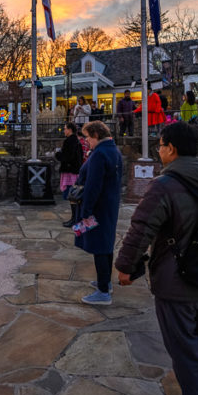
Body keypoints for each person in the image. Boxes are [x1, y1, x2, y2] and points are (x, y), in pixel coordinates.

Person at [114, 121, 198, 395]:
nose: (159, 150)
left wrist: (125, 267)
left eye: (161, 145)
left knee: (185, 350)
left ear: (172, 149)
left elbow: (141, 229)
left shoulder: (166, 184)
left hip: (177, 280)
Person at [74, 120, 123, 305]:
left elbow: (93, 186)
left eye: (87, 137)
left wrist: (86, 211)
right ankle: (105, 282)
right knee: (106, 244)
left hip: (98, 208)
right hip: (109, 205)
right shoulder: (113, 150)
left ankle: (103, 291)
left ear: (95, 135)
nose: (86, 141)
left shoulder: (100, 154)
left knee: (99, 247)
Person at [55, 123, 85, 226]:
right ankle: (75, 218)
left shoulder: (70, 141)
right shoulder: (75, 140)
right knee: (73, 195)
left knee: (73, 195)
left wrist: (58, 155)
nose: (64, 131)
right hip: (73, 170)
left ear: (70, 130)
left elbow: (68, 156)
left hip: (70, 171)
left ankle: (74, 219)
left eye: (65, 129)